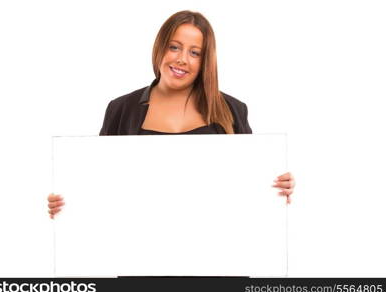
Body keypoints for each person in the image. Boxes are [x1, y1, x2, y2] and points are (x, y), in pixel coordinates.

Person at [47, 10, 295, 219]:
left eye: (195, 52)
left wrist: (278, 189)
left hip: (219, 261)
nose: (182, 59)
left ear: (205, 60)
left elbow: (249, 184)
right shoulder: (121, 109)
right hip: (138, 260)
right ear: (160, 48)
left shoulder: (231, 110)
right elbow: (98, 182)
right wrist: (68, 203)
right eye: (174, 47)